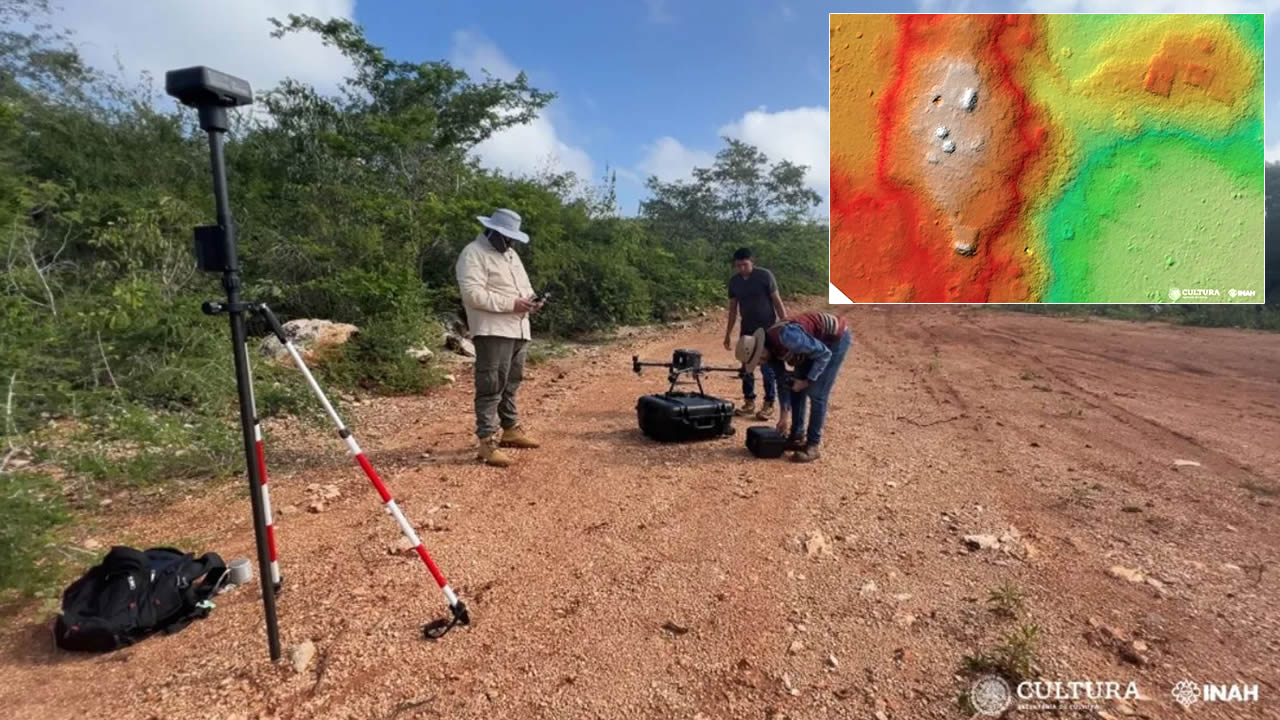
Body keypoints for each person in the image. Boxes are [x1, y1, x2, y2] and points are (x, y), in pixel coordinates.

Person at [455, 208, 543, 468]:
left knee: (511, 382)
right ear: (492, 231)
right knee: (491, 385)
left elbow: (524, 288)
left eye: (512, 237)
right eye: (507, 236)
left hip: (517, 329)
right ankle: (486, 442)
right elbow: (472, 295)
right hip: (493, 330)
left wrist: (531, 302)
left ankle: (510, 428)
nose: (511, 242)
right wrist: (512, 304)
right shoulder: (473, 253)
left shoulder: (511, 255)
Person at [735, 310, 852, 463]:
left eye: (759, 359)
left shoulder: (788, 337)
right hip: (812, 344)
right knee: (795, 387)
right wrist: (784, 415)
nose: (760, 363)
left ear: (761, 348)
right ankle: (796, 436)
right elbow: (782, 381)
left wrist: (808, 381)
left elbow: (824, 354)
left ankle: (813, 445)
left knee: (817, 394)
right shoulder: (771, 353)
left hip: (834, 341)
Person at [722, 247, 787, 420]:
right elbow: (733, 310)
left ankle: (768, 404)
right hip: (747, 329)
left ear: (752, 262)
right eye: (738, 265)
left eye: (745, 264)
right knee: (746, 368)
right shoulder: (734, 282)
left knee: (767, 368)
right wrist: (728, 334)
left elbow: (777, 302)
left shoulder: (765, 276)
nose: (742, 268)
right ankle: (749, 402)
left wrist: (786, 325)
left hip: (767, 329)